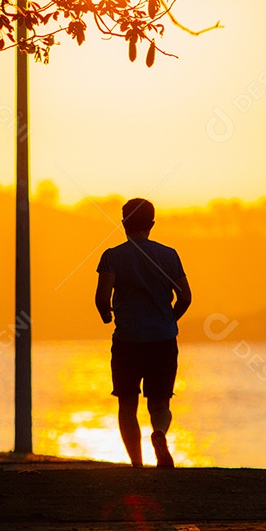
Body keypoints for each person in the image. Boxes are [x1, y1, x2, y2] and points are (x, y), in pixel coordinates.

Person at [95, 198, 192, 468]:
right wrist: (169, 319)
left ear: (123, 222)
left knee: (127, 403)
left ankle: (136, 464)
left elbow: (102, 297)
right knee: (160, 403)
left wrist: (107, 316)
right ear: (151, 224)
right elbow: (185, 296)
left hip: (127, 341)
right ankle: (159, 433)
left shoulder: (112, 256)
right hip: (162, 340)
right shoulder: (169, 255)